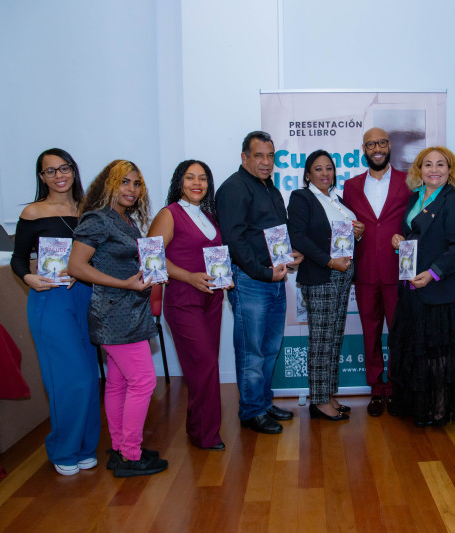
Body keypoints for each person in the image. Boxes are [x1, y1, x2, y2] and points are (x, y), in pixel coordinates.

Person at [68, 159, 168, 478]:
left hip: (130, 309)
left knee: (119, 382)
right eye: (124, 182)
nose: (132, 189)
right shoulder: (97, 219)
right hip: (114, 312)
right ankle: (130, 455)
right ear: (108, 184)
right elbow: (76, 266)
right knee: (143, 381)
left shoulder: (125, 221)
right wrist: (125, 283)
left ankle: (121, 449)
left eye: (137, 184)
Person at [10, 148, 100, 476]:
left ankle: (86, 447)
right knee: (69, 378)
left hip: (86, 297)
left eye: (64, 168)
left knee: (90, 377)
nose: (59, 176)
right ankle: (63, 448)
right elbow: (18, 259)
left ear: (74, 171)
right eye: (51, 171)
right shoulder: (33, 213)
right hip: (51, 299)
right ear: (42, 177)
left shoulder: (89, 210)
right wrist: (29, 278)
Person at [215, 131, 302, 434]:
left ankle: (263, 402)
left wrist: (289, 256)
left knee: (269, 348)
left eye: (270, 156)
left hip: (275, 278)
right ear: (244, 157)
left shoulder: (269, 188)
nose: (266, 162)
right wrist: (265, 272)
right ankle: (251, 411)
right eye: (259, 156)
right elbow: (234, 242)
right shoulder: (234, 188)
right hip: (253, 280)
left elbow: (272, 234)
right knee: (251, 350)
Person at [147, 160, 230, 450]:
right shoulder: (169, 214)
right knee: (205, 364)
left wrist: (224, 277)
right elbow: (150, 257)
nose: (197, 183)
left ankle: (197, 429)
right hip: (183, 300)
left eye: (203, 178)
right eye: (190, 177)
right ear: (178, 182)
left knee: (203, 368)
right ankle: (207, 436)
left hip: (212, 299)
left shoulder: (208, 216)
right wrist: (189, 277)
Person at [389, 146, 455, 427]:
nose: (434, 169)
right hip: (413, 289)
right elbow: (416, 235)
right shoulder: (415, 198)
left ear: (451, 170)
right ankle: (419, 406)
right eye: (428, 164)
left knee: (440, 354)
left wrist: (433, 273)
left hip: (441, 290)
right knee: (418, 351)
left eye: (441, 164)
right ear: (419, 170)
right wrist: (399, 241)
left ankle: (438, 409)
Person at [288, 150, 365, 421]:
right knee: (321, 342)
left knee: (333, 340)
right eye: (318, 169)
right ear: (308, 173)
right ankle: (319, 402)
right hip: (321, 277)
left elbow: (341, 236)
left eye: (329, 168)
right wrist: (330, 262)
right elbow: (297, 236)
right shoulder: (302, 198)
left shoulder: (336, 200)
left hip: (342, 277)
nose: (325, 174)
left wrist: (358, 232)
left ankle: (329, 395)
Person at [342, 127, 411, 416]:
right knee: (370, 334)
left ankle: (396, 388)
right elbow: (344, 229)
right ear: (364, 149)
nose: (377, 148)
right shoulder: (351, 186)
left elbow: (414, 223)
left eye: (381, 142)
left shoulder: (409, 182)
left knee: (399, 334)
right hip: (366, 271)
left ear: (389, 145)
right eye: (371, 144)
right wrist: (354, 234)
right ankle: (376, 389)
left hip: (399, 271)